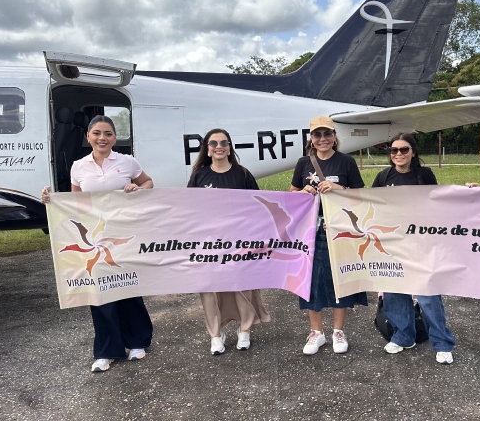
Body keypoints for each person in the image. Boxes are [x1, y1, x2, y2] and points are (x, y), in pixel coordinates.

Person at [41, 115, 155, 373]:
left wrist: (138, 189)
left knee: (127, 287)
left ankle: (137, 342)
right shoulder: (78, 167)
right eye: (97, 133)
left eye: (108, 133)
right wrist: (51, 201)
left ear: (114, 138)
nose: (102, 138)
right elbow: (76, 203)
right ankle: (107, 351)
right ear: (88, 136)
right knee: (100, 292)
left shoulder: (127, 161)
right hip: (94, 237)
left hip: (124, 234)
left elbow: (148, 183)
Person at [371, 132, 456, 365]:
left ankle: (442, 343)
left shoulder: (424, 175)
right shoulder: (383, 176)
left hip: (421, 244)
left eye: (404, 149)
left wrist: (468, 192)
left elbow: (438, 203)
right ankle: (403, 336)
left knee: (427, 296)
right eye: (394, 150)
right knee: (394, 293)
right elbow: (370, 206)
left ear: (413, 152)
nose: (398, 154)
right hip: (391, 244)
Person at [187, 128, 271, 355]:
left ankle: (245, 330)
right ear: (207, 149)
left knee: (243, 285)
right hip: (209, 243)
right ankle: (215, 335)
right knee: (209, 288)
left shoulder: (242, 174)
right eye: (213, 143)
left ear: (230, 147)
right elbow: (189, 209)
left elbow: (258, 206)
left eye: (224, 142)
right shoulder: (199, 176)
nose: (219, 147)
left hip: (240, 241)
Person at [290, 116, 367, 355]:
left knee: (338, 280)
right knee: (311, 281)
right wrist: (303, 192)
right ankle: (317, 332)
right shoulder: (303, 163)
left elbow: (360, 195)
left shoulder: (346, 162)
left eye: (327, 134)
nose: (322, 139)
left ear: (334, 136)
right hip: (310, 231)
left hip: (339, 229)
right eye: (317, 134)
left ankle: (338, 331)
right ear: (311, 138)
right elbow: (292, 194)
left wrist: (338, 188)